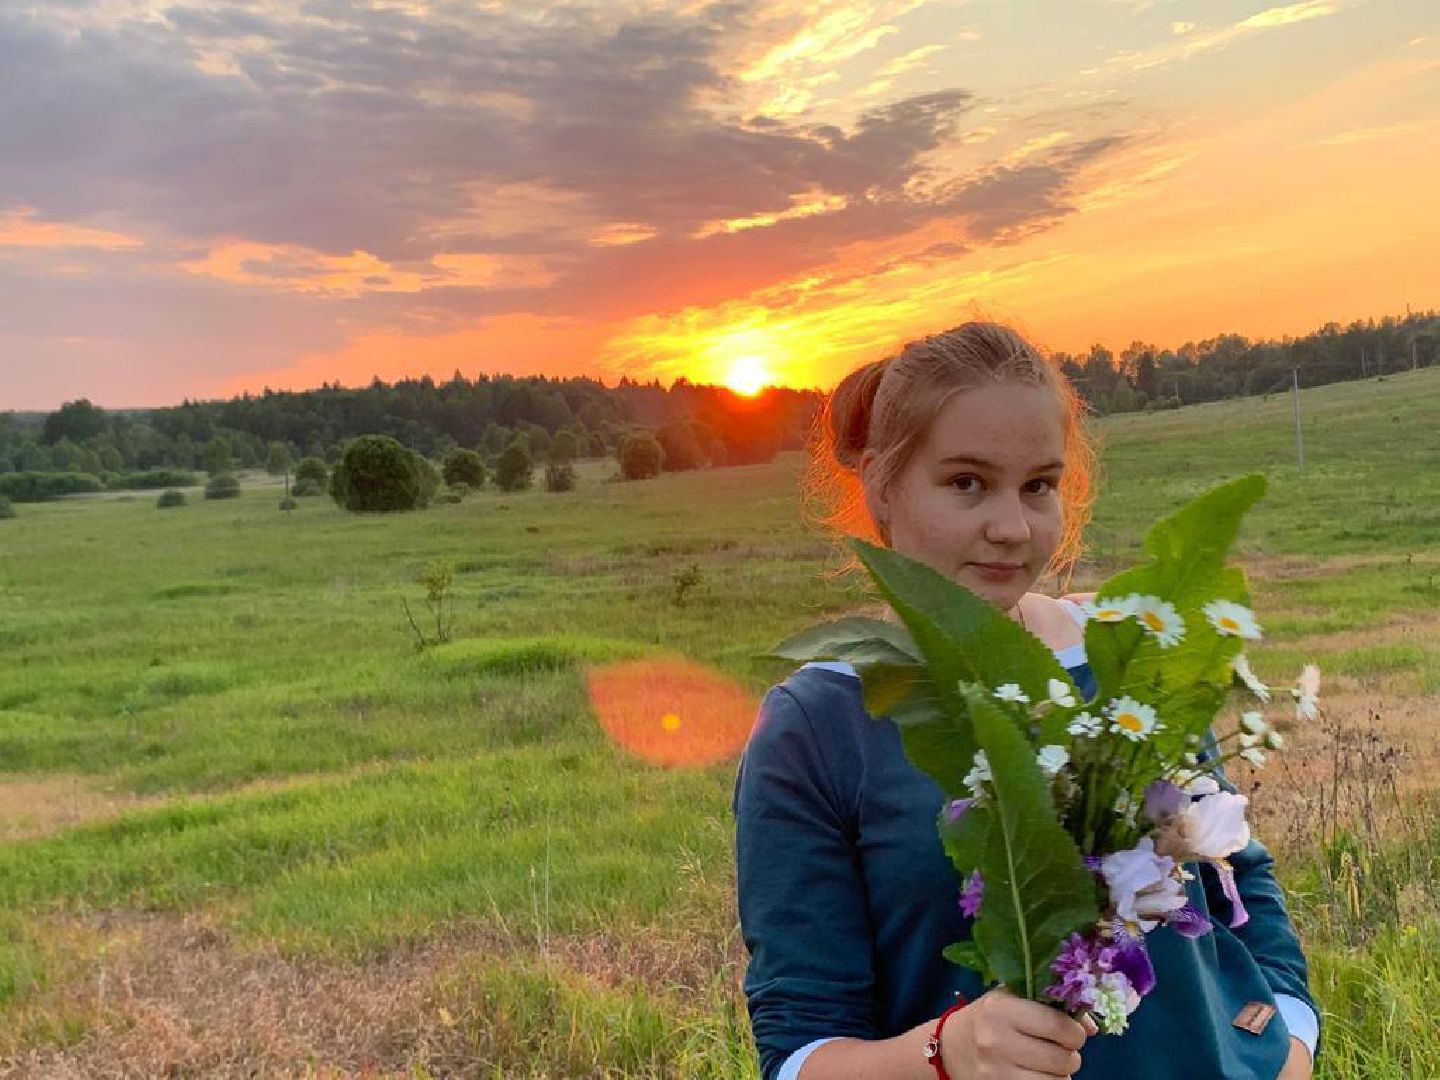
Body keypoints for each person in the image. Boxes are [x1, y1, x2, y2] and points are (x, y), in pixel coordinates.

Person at [733, 322, 1318, 1080]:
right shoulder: (818, 728)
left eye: (1038, 485)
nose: (1012, 528)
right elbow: (798, 1049)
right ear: (881, 483)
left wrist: (1290, 1044)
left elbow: (1238, 875)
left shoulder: (1126, 656)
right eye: (967, 482)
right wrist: (946, 1053)